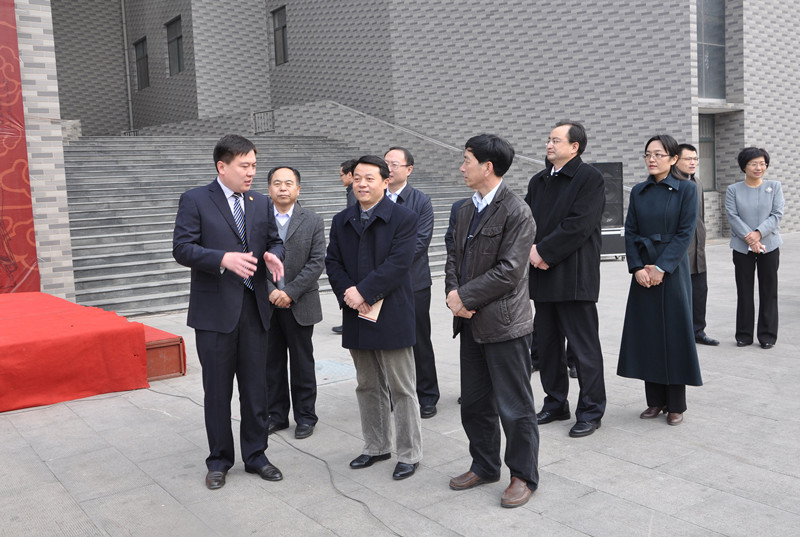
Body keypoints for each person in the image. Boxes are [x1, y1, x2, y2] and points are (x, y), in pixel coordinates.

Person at [172, 134, 285, 490]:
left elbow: (274, 240)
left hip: (255, 308)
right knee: (218, 391)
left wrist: (274, 254)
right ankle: (219, 460)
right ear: (222, 166)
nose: (251, 172)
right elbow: (182, 248)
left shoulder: (260, 202)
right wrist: (222, 258)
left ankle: (257, 455)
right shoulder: (195, 200)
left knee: (256, 389)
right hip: (215, 313)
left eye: (254, 165)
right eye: (244, 166)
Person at [445, 134, 539, 508]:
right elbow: (453, 257)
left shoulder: (517, 211)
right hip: (470, 322)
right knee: (474, 403)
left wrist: (465, 297)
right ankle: (484, 465)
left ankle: (523, 475)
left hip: (505, 324)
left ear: (488, 167)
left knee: (515, 407)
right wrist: (454, 296)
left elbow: (510, 271)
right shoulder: (463, 209)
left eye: (467, 160)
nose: (461, 167)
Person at [325, 155, 423, 480]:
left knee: (402, 387)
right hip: (357, 312)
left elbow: (399, 264)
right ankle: (376, 445)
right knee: (367, 384)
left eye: (369, 178)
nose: (362, 184)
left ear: (385, 181)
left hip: (391, 311)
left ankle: (409, 453)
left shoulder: (404, 218)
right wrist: (350, 294)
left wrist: (364, 292)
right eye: (357, 178)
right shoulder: (342, 220)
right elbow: (332, 262)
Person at [526, 121, 607, 438]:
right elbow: (527, 221)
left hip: (575, 277)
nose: (549, 144)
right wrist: (531, 251)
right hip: (543, 276)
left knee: (583, 349)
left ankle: (591, 411)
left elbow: (580, 224)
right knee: (547, 347)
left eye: (556, 140)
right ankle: (555, 403)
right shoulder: (539, 180)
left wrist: (543, 251)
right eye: (548, 139)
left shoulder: (590, 178)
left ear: (575, 147)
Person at [617, 134, 701, 426]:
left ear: (673, 158)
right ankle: (654, 401)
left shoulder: (687, 189)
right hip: (643, 269)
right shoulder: (638, 191)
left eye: (659, 154)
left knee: (674, 334)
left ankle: (676, 404)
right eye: (648, 154)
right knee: (648, 333)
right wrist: (637, 268)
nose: (652, 159)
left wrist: (662, 267)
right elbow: (630, 231)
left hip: (672, 270)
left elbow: (685, 233)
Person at [264, 166, 325, 439]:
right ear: (269, 189)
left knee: (302, 364)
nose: (283, 188)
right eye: (277, 183)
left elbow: (317, 262)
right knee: (271, 363)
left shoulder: (312, 220)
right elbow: (252, 260)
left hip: (300, 303)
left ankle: (306, 417)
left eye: (289, 183)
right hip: (267, 305)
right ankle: (276, 415)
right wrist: (270, 291)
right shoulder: (258, 220)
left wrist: (289, 292)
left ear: (298, 189)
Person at [384, 146, 438, 419]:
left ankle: (427, 395)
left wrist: (385, 265)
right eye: (386, 163)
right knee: (389, 341)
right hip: (380, 285)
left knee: (419, 340)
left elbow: (419, 243)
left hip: (413, 283)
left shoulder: (421, 201)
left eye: (395, 164)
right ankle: (395, 392)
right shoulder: (373, 198)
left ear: (409, 169)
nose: (389, 168)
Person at [725, 147, 784, 349]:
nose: (759, 167)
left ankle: (767, 335)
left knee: (769, 290)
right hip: (742, 247)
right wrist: (751, 239)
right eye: (753, 164)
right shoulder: (733, 190)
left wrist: (758, 233)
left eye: (762, 163)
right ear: (744, 166)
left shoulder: (775, 186)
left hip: (770, 245)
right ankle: (744, 334)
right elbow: (732, 216)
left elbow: (777, 214)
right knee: (744, 290)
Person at [676, 143, 719, 346]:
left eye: (695, 159)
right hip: (680, 250)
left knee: (700, 291)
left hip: (698, 249)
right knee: (680, 295)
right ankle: (681, 334)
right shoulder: (672, 184)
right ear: (675, 160)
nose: (693, 163)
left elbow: (699, 217)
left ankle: (698, 331)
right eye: (688, 159)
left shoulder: (697, 182)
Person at [332, 158, 357, 334]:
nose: (340, 178)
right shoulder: (351, 192)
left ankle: (349, 320)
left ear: (350, 174)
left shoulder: (354, 193)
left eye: (341, 175)